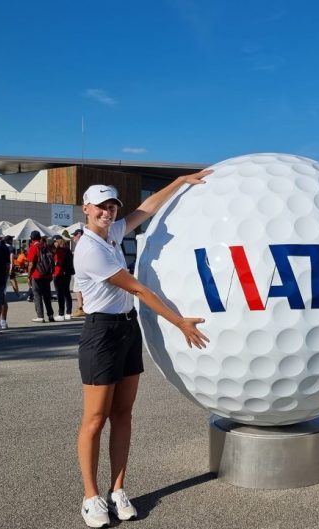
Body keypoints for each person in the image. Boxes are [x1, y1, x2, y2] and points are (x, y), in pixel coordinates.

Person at [74, 174, 211, 527]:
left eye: (112, 205)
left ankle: (117, 490)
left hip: (126, 330)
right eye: (101, 206)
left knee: (123, 415)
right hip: (101, 333)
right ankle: (91, 497)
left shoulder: (113, 233)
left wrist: (180, 181)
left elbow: (147, 208)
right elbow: (138, 289)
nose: (108, 211)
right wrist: (179, 322)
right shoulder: (90, 248)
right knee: (95, 419)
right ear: (86, 209)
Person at [26, 230, 55, 322]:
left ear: (31, 238)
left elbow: (31, 263)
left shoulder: (33, 247)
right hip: (47, 274)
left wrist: (29, 275)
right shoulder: (45, 246)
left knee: (37, 295)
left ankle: (40, 316)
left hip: (37, 274)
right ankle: (50, 315)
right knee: (47, 295)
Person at [53, 236, 74, 320]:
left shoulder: (59, 251)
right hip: (67, 273)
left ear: (57, 241)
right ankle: (68, 313)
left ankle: (61, 313)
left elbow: (58, 262)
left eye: (54, 241)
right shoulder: (67, 249)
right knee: (67, 292)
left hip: (59, 273)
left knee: (60, 294)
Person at [70, 228, 86, 318]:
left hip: (79, 271)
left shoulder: (80, 245)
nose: (73, 238)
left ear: (78, 236)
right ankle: (83, 307)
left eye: (74, 235)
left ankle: (81, 307)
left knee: (78, 289)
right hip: (84, 271)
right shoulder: (86, 244)